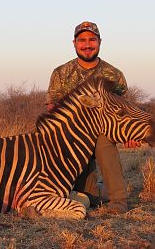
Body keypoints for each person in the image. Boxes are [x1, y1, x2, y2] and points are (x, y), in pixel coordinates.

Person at [46, 21, 140, 213]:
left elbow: (123, 111)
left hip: (103, 131)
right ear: (74, 43)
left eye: (92, 40)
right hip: (73, 133)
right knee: (85, 197)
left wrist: (131, 134)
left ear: (99, 42)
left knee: (104, 143)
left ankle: (118, 202)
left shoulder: (114, 75)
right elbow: (52, 110)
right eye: (82, 40)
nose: (87, 44)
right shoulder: (61, 73)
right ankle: (90, 194)